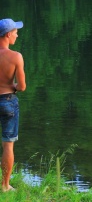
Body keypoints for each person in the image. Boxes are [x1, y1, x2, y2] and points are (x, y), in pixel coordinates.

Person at [0, 18, 26, 192]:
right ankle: (5, 186)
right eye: (16, 31)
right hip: (8, 101)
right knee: (8, 145)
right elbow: (22, 87)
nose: (17, 34)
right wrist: (13, 86)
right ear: (8, 34)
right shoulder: (16, 56)